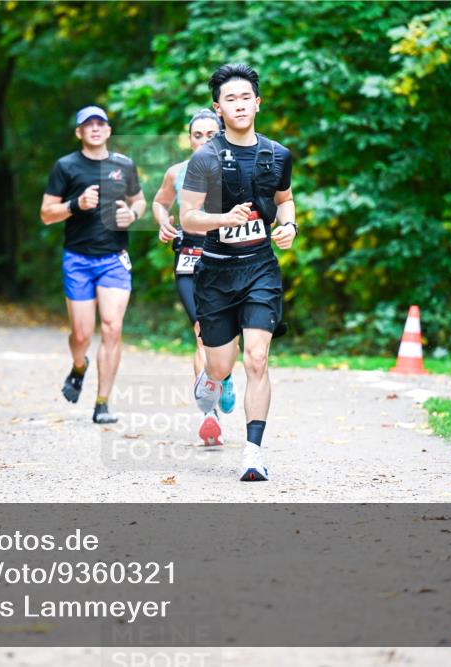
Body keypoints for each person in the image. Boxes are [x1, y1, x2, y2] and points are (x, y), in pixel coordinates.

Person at [179, 64, 298, 481]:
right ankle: (212, 380)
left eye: (246, 97)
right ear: (219, 108)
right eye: (230, 99)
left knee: (258, 358)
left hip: (260, 268)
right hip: (215, 271)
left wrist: (289, 225)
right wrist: (223, 219)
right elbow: (188, 217)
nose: (240, 105)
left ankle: (253, 452)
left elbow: (284, 200)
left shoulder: (277, 155)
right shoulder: (205, 158)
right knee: (219, 366)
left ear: (258, 103)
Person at [40, 106, 146, 424]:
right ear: (79, 132)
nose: (96, 128)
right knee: (82, 334)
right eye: (89, 124)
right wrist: (76, 204)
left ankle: (102, 403)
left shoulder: (124, 164)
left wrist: (133, 214)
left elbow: (139, 200)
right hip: (78, 259)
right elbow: (46, 214)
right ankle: (79, 365)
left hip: (114, 258)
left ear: (109, 130)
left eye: (101, 123)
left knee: (112, 327)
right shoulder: (66, 166)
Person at [152, 109, 238, 443]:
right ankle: (209, 414)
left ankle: (224, 375)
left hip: (226, 259)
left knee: (228, 335)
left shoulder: (234, 169)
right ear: (189, 140)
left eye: (210, 135)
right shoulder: (177, 172)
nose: (203, 141)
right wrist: (164, 222)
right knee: (202, 332)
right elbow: (160, 203)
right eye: (197, 135)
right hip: (189, 259)